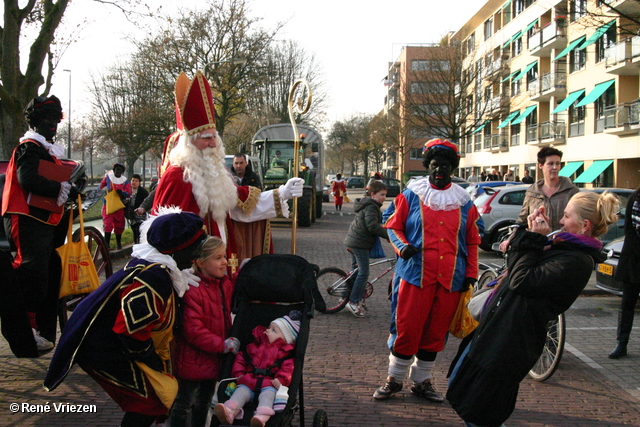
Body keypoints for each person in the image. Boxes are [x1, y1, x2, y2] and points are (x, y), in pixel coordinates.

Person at [447, 191, 619, 427]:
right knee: (464, 390)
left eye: (567, 216)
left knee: (479, 407)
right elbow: (519, 267)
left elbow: (521, 280)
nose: (560, 221)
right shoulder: (561, 246)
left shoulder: (577, 261)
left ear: (584, 225)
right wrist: (530, 235)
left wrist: (533, 240)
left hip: (511, 340)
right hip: (497, 328)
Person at [44, 209, 209, 427]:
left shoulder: (158, 270)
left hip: (115, 342)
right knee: (149, 403)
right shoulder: (153, 278)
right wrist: (149, 359)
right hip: (101, 346)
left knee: (151, 402)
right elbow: (129, 330)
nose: (197, 256)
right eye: (194, 249)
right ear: (178, 248)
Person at [152, 71, 303, 266]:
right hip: (192, 271)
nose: (213, 143)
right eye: (206, 138)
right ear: (188, 144)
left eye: (215, 136)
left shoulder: (215, 173)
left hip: (221, 262)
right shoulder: (176, 177)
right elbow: (163, 235)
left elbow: (239, 204)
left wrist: (282, 192)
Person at [374, 138, 483, 403]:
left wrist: (471, 273)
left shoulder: (464, 202)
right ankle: (394, 379)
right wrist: (403, 247)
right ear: (428, 166)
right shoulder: (412, 194)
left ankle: (422, 381)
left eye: (445, 166)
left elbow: (472, 241)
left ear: (452, 168)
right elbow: (393, 227)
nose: (439, 170)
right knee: (407, 327)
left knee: (436, 332)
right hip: (414, 275)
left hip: (451, 279)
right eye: (435, 165)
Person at [1, 95, 76, 354]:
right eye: (46, 119)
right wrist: (59, 187)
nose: (52, 124)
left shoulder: (47, 151)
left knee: (45, 273)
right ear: (36, 122)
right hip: (24, 215)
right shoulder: (29, 147)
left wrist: (71, 186)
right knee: (31, 271)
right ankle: (25, 329)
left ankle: (39, 328)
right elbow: (28, 179)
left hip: (44, 219)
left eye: (55, 119)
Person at [169, 236, 239, 427]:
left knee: (205, 403)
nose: (225, 262)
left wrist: (245, 271)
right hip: (193, 359)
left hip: (213, 359)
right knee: (184, 403)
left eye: (224, 256)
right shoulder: (193, 290)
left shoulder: (223, 283)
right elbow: (193, 330)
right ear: (201, 262)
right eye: (218, 258)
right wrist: (221, 345)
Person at [213, 310, 301, 427]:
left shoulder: (285, 353)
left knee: (268, 397)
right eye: (269, 327)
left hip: (269, 384)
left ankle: (261, 417)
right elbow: (241, 358)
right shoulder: (254, 346)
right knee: (239, 393)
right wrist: (239, 374)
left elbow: (288, 368)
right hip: (248, 382)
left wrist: (281, 380)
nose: (267, 330)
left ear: (285, 339)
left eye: (273, 330)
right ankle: (229, 411)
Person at [343, 181, 388, 317]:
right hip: (360, 243)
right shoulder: (371, 207)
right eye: (382, 195)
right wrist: (390, 236)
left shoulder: (370, 205)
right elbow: (372, 226)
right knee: (363, 272)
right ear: (373, 194)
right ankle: (353, 301)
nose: (384, 197)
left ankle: (345, 296)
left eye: (386, 195)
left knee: (355, 272)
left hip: (355, 240)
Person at [608, 185, 640, 359]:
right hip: (633, 259)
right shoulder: (635, 199)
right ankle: (621, 344)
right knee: (627, 303)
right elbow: (629, 230)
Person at [517, 146, 579, 232]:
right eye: (551, 163)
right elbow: (522, 220)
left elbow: (580, 220)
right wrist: (510, 239)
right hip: (538, 243)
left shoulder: (572, 191)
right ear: (541, 165)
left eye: (558, 163)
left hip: (564, 242)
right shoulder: (532, 192)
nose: (555, 167)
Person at [100, 163, 131, 250]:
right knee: (108, 224)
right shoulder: (108, 179)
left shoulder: (125, 182)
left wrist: (122, 193)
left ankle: (118, 243)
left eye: (120, 170)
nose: (118, 172)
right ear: (114, 171)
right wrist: (105, 191)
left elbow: (128, 194)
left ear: (122, 172)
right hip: (108, 205)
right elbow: (100, 187)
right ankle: (107, 245)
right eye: (117, 170)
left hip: (119, 206)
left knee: (119, 225)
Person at [126, 173, 149, 244]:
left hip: (140, 215)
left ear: (139, 183)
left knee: (139, 230)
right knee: (134, 230)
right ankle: (136, 244)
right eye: (133, 180)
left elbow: (147, 202)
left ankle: (140, 244)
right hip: (131, 215)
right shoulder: (127, 191)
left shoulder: (143, 192)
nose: (134, 182)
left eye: (136, 181)